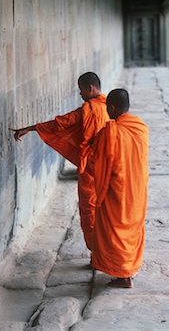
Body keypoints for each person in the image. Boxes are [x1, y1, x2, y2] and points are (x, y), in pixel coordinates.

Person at [10, 72, 108, 251]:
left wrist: (30, 128)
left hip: (91, 170)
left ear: (90, 88)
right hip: (108, 171)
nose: (80, 95)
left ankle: (98, 253)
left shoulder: (89, 109)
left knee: (90, 211)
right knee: (106, 212)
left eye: (81, 90)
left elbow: (60, 124)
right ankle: (105, 253)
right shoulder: (109, 107)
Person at [88, 88, 149, 288]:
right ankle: (128, 269)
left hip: (116, 190)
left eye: (107, 108)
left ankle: (123, 275)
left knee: (114, 231)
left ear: (112, 108)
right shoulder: (140, 127)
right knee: (131, 229)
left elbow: (101, 162)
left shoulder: (111, 132)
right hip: (136, 188)